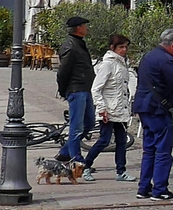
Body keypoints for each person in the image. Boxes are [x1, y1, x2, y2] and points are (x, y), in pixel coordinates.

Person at [132, 28, 173, 200]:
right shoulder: (167, 60)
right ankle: (160, 189)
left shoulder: (148, 56)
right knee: (163, 151)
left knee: (149, 149)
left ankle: (144, 188)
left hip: (144, 106)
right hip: (158, 108)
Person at [80, 33, 137, 182]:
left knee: (121, 141)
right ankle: (86, 166)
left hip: (120, 109)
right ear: (113, 48)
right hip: (108, 109)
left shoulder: (122, 64)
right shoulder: (108, 64)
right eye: (121, 47)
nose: (124, 50)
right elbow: (96, 88)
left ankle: (121, 171)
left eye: (125, 47)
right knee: (104, 140)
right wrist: (101, 108)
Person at [56, 16, 96, 164]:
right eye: (85, 25)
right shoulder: (71, 46)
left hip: (85, 88)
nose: (87, 28)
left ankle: (66, 152)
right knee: (76, 127)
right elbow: (63, 71)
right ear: (78, 28)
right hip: (76, 89)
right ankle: (77, 161)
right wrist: (63, 90)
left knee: (90, 123)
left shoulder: (78, 43)